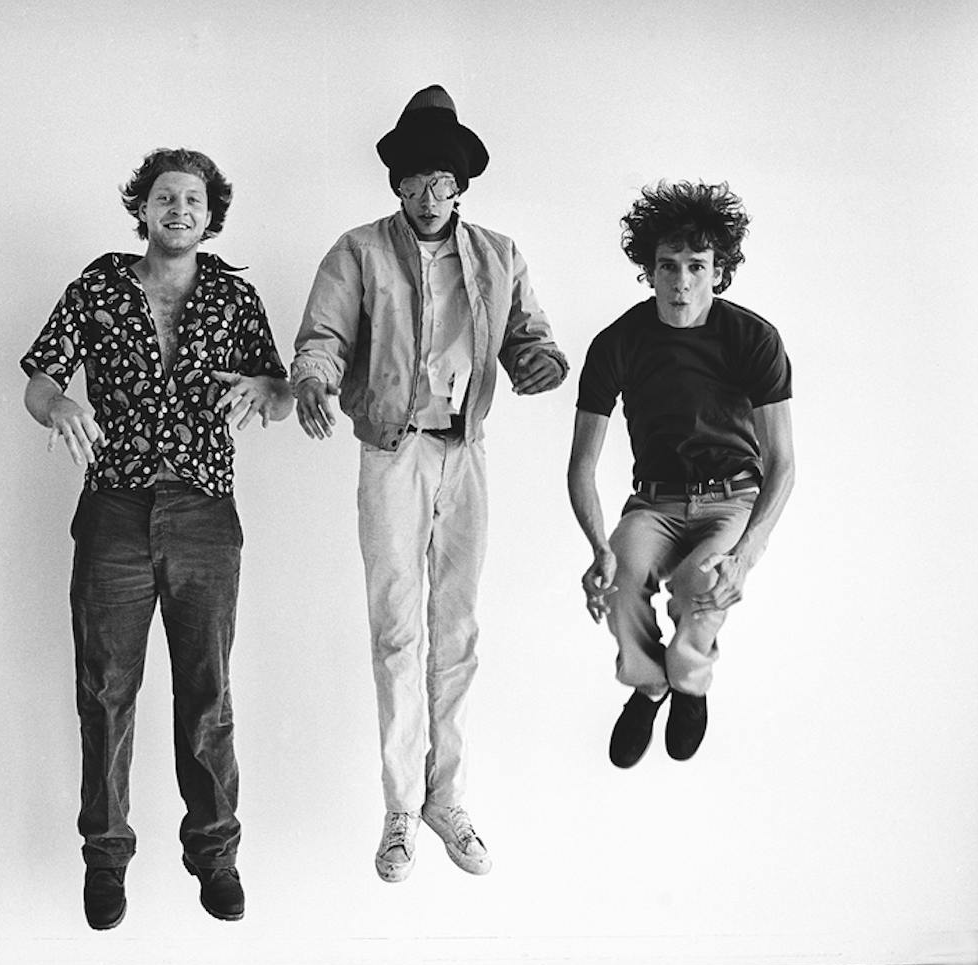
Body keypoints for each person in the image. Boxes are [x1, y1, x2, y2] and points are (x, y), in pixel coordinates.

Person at [292, 86, 568, 883]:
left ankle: (448, 799)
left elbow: (529, 339)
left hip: (465, 451)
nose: (426, 191)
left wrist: (542, 365)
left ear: (461, 184)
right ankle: (399, 808)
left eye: (440, 177)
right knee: (395, 631)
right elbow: (323, 336)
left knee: (459, 629)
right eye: (412, 177)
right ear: (397, 185)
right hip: (392, 453)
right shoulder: (357, 251)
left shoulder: (500, 255)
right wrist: (313, 379)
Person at [21, 148, 291, 930]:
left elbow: (274, 390)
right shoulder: (99, 284)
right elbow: (42, 378)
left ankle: (215, 855)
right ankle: (105, 859)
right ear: (142, 209)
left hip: (205, 510)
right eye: (166, 197)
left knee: (207, 691)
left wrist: (267, 391)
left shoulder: (236, 298)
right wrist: (58, 407)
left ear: (212, 216)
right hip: (113, 509)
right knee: (105, 693)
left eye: (195, 200)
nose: (180, 209)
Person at [566, 181, 796, 768]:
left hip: (731, 499)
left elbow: (784, 463)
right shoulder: (617, 342)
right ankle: (648, 686)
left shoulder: (754, 339)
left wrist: (746, 554)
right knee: (621, 577)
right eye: (667, 266)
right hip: (655, 504)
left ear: (719, 271)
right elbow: (583, 464)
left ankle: (689, 683)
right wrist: (598, 547)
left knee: (706, 581)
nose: (681, 282)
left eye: (697, 266)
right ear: (648, 270)